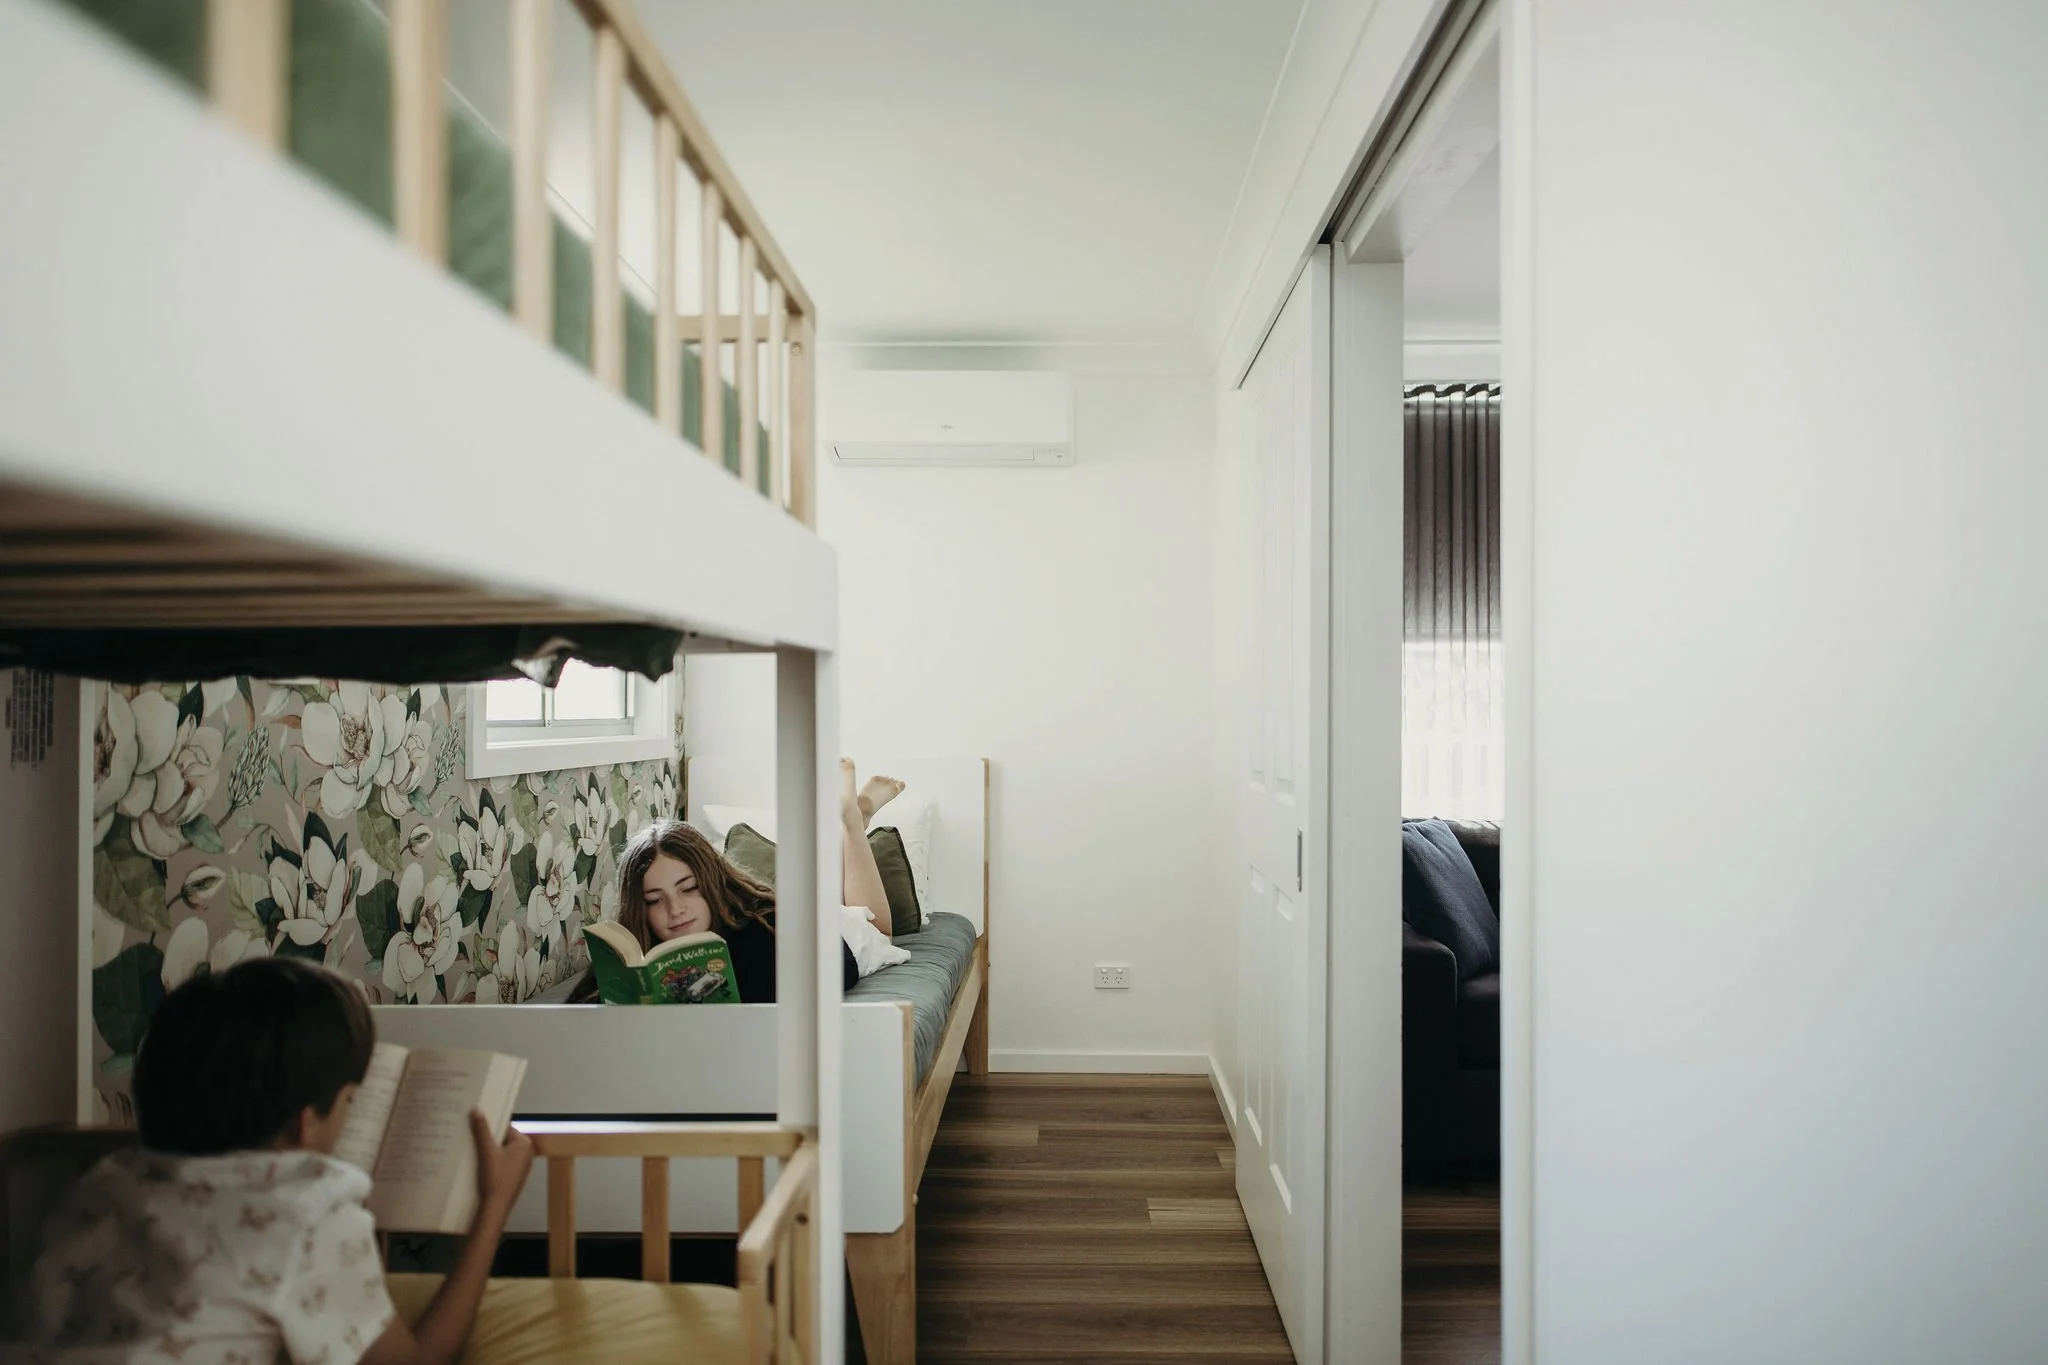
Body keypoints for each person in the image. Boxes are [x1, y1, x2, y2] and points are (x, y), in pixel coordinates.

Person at [15, 957, 533, 1365]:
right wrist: (494, 1206)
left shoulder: (101, 1185)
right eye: (352, 1102)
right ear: (304, 1124)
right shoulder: (310, 1213)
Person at [569, 760, 905, 1003]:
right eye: (655, 900)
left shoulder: (763, 922)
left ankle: (852, 819)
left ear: (710, 882)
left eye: (688, 888)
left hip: (832, 935)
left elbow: (841, 970)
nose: (676, 910)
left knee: (875, 925)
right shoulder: (633, 951)